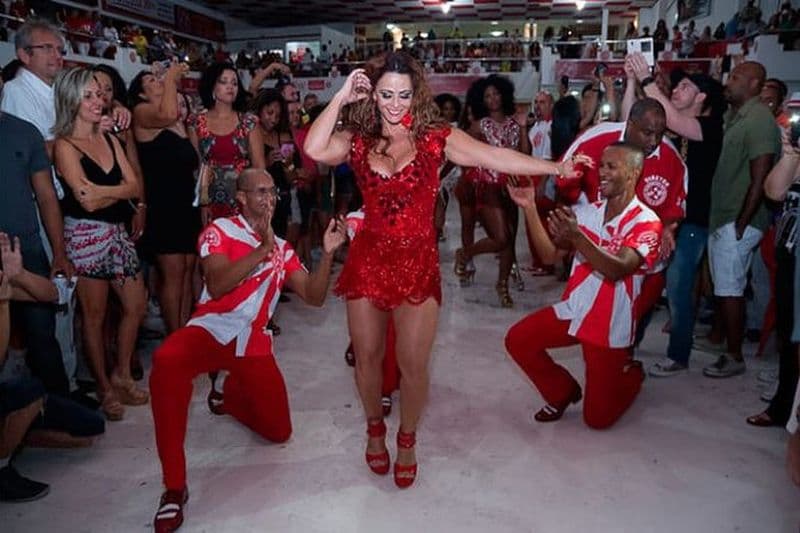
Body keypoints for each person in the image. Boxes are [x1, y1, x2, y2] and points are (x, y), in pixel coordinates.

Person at [303, 51, 583, 489]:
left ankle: (408, 439)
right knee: (369, 361)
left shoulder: (438, 137)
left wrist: (554, 166)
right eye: (386, 94)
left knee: (414, 367)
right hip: (369, 260)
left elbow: (495, 156)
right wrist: (341, 96)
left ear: (416, 94)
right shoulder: (357, 138)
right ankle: (375, 428)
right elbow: (313, 148)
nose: (395, 104)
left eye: (403, 94)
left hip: (417, 263)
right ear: (372, 95)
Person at [149, 168, 346, 533]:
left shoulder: (283, 249)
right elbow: (218, 283)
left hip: (252, 342)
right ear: (240, 197)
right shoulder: (218, 232)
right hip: (211, 329)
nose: (269, 198)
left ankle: (228, 397)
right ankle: (174, 487)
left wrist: (329, 255)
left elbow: (315, 297)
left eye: (273, 191)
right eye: (260, 191)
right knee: (166, 362)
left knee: (279, 431)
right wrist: (261, 251)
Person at [505, 143, 662, 428]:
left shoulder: (647, 222)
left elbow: (617, 270)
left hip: (609, 324)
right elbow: (550, 256)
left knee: (597, 420)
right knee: (518, 340)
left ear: (633, 174)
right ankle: (562, 391)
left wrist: (578, 238)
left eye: (611, 166)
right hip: (574, 311)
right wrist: (528, 208)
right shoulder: (588, 212)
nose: (601, 172)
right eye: (601, 164)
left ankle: (631, 374)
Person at [53, 67, 147, 420]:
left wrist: (102, 191)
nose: (98, 102)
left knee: (136, 304)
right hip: (85, 236)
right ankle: (106, 389)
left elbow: (134, 186)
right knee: (93, 317)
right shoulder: (65, 145)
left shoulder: (109, 138)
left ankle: (121, 372)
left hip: (117, 234)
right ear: (70, 100)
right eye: (88, 96)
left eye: (99, 94)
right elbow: (85, 202)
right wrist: (113, 193)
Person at [624, 54, 726, 376]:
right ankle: (629, 341)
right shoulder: (669, 127)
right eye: (677, 85)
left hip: (691, 223)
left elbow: (674, 118)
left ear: (701, 97)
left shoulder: (709, 128)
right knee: (644, 284)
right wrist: (631, 81)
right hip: (657, 220)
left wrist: (647, 80)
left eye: (685, 86)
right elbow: (630, 120)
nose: (678, 90)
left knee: (678, 289)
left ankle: (678, 354)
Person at [700, 62, 780, 378]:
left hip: (737, 218)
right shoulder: (737, 116)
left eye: (734, 77)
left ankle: (734, 357)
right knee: (724, 285)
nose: (728, 81)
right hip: (726, 215)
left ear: (753, 83)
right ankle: (721, 340)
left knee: (731, 288)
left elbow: (760, 176)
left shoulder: (760, 120)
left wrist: (743, 222)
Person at [130, 63, 200, 334]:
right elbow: (170, 110)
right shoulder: (143, 112)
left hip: (185, 204)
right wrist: (171, 77)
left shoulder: (173, 120)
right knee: (171, 275)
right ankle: (175, 338)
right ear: (142, 94)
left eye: (159, 78)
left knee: (184, 273)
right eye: (151, 80)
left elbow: (193, 160)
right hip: (164, 205)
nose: (158, 81)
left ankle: (182, 329)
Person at [456, 75, 531, 306]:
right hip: (487, 186)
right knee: (501, 237)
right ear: (482, 100)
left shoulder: (513, 123)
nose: (493, 99)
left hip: (512, 187)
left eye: (496, 93)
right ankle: (466, 253)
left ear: (504, 94)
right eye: (487, 96)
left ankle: (503, 286)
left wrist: (523, 126)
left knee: (508, 242)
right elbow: (461, 150)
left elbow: (525, 155)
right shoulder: (480, 125)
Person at [746, 128, 800, 426]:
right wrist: (792, 153)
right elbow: (774, 191)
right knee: (789, 336)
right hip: (790, 257)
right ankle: (783, 406)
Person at [189, 62, 265, 224]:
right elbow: (199, 166)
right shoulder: (196, 122)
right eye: (223, 82)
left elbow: (259, 167)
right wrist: (203, 202)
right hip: (211, 200)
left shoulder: (249, 122)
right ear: (212, 86)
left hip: (244, 200)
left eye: (234, 82)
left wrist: (258, 203)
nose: (230, 87)